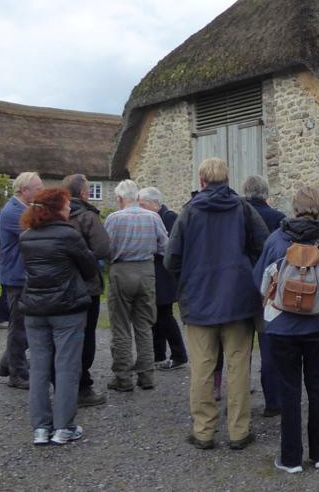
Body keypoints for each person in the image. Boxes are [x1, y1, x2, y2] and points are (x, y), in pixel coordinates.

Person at [165, 158, 268, 451]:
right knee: (238, 367)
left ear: (201, 181)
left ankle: (204, 431)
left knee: (202, 367)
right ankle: (238, 431)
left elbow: (171, 258)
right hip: (237, 298)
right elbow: (264, 246)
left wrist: (187, 278)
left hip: (199, 300)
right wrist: (246, 271)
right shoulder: (243, 209)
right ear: (226, 179)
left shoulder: (189, 212)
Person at [253, 186, 319, 473]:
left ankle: (291, 458)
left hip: (282, 327)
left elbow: (260, 283)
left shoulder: (275, 240)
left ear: (294, 208)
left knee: (289, 390)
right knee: (318, 387)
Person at [18, 188, 98, 445]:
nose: (69, 209)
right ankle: (64, 427)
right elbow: (89, 268)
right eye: (65, 205)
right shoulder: (69, 235)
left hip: (35, 308)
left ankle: (40, 428)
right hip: (67, 308)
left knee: (39, 368)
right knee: (66, 367)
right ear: (55, 209)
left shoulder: (27, 236)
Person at [104, 179, 167, 392]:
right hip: (146, 270)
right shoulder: (153, 217)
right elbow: (164, 247)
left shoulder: (113, 219)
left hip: (121, 271)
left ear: (120, 198)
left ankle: (123, 377)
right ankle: (147, 376)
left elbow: (106, 248)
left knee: (120, 326)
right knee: (144, 325)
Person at [63, 174, 110, 407]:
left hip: (60, 285)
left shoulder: (55, 214)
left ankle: (66, 383)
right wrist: (86, 261)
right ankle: (82, 385)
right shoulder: (87, 217)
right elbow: (103, 247)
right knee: (85, 334)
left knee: (64, 335)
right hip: (86, 285)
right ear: (83, 193)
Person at [243, 175, 287, 417]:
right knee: (268, 345)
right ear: (266, 193)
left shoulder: (236, 215)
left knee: (240, 346)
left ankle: (240, 398)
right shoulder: (278, 218)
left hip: (242, 287)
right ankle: (273, 400)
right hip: (270, 289)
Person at [0, 171, 44, 390]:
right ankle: (17, 373)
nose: (41, 192)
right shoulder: (15, 212)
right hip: (17, 277)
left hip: (21, 275)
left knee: (25, 324)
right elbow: (39, 236)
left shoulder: (21, 209)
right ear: (25, 191)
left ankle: (8, 363)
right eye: (38, 189)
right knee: (20, 327)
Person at [137, 187, 188, 371]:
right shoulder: (157, 217)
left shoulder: (169, 217)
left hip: (165, 275)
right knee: (156, 316)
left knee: (165, 315)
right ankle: (158, 354)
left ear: (154, 203)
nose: (141, 208)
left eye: (143, 205)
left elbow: (171, 248)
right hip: (157, 273)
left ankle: (178, 354)